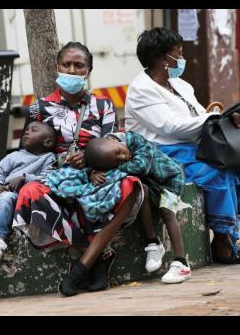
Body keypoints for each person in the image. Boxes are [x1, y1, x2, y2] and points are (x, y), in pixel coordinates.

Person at [13, 41, 145, 297]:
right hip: (55, 178)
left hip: (98, 176)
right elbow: (29, 152)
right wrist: (63, 162)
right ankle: (96, 257)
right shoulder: (39, 108)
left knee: (131, 186)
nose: (72, 70)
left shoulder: (103, 107)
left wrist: (89, 158)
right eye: (66, 65)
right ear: (57, 67)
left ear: (88, 71)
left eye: (79, 65)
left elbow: (111, 147)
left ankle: (81, 267)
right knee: (30, 193)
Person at [125, 27, 240, 265]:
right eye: (179, 53)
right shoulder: (141, 89)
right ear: (165, 59)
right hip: (160, 152)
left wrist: (222, 116)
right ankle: (223, 242)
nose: (181, 59)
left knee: (236, 163)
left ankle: (229, 237)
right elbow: (171, 127)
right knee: (216, 170)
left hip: (188, 146)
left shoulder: (181, 85)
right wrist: (211, 119)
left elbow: (200, 114)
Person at [84, 132, 192, 283]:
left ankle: (182, 263)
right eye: (117, 161)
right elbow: (91, 167)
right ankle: (153, 243)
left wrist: (108, 172)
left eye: (118, 152)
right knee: (141, 191)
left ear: (112, 139)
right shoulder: (108, 150)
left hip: (169, 180)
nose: (122, 157)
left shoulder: (136, 140)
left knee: (166, 211)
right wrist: (93, 174)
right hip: (150, 184)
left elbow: (140, 166)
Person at [0, 121, 56, 264]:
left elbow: (46, 179)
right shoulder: (14, 155)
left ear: (47, 142)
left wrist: (24, 178)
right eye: (26, 130)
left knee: (7, 198)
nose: (27, 132)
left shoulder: (49, 158)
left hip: (14, 194)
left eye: (34, 130)